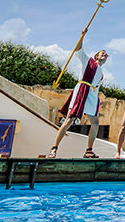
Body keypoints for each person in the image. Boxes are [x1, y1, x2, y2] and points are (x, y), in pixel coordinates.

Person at [47, 30, 108, 158]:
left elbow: (96, 88)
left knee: (95, 123)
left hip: (91, 95)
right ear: (96, 56)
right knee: (69, 120)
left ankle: (89, 151)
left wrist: (96, 101)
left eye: (106, 55)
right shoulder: (88, 61)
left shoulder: (102, 74)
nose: (105, 55)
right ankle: (54, 148)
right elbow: (79, 49)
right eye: (102, 53)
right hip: (82, 90)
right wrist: (82, 35)